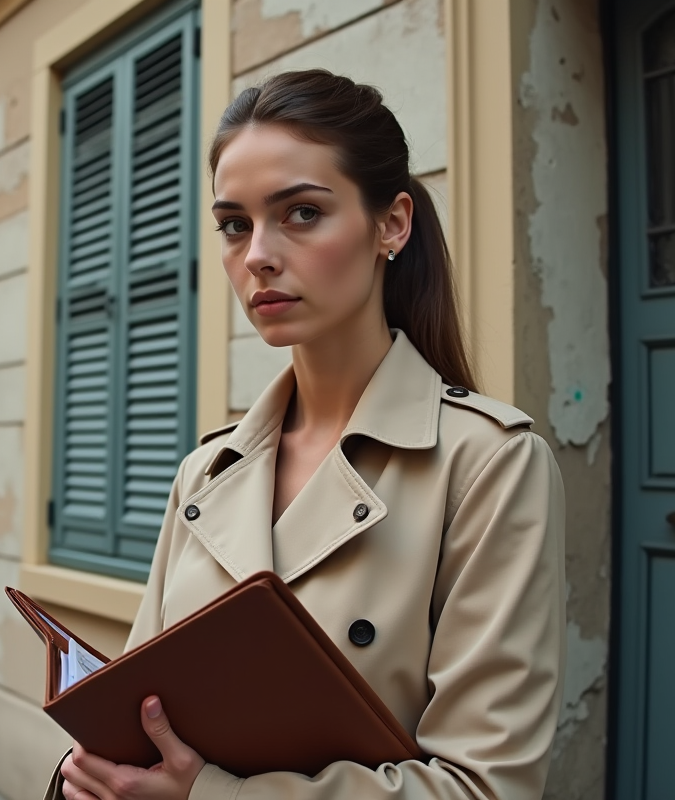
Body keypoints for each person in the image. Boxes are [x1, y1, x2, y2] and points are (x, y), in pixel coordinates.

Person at [49, 70, 566, 800]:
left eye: (300, 213)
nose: (257, 253)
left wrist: (211, 796)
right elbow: (138, 717)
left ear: (392, 224)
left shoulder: (489, 466)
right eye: (234, 224)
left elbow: (484, 788)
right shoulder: (206, 472)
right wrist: (90, 776)